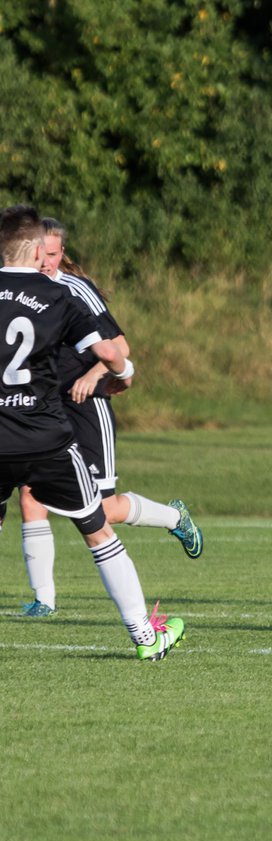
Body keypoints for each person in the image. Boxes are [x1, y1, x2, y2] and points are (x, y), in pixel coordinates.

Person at [0, 204, 184, 660]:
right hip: (47, 439)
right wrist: (123, 372)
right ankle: (146, 637)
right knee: (98, 530)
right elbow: (109, 351)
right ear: (33, 246)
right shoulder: (57, 297)